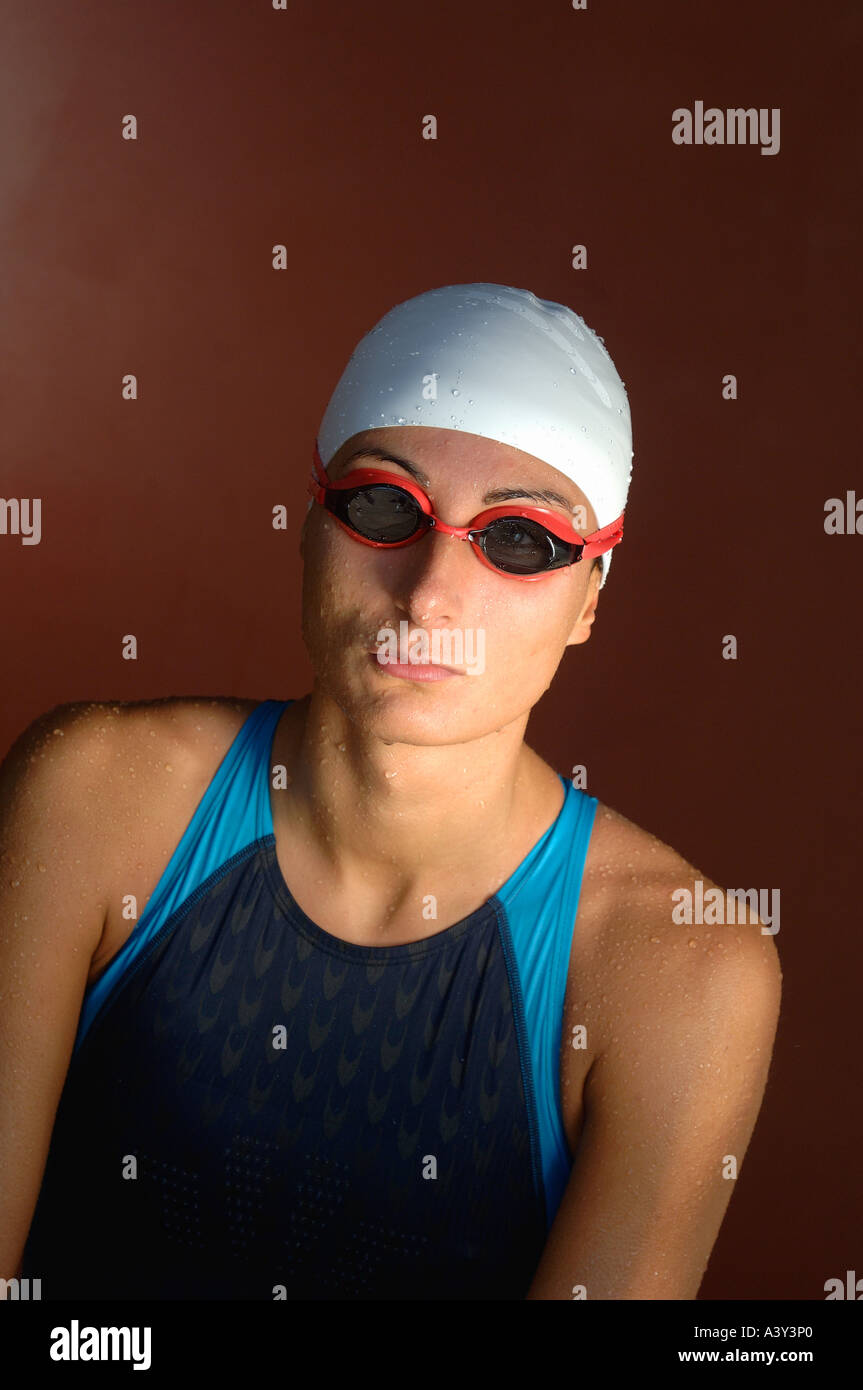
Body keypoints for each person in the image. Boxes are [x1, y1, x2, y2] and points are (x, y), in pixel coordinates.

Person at [0, 283, 781, 1300]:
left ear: (590, 597)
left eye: (519, 540)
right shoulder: (96, 797)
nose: (427, 595)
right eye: (382, 507)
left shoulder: (678, 971)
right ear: (308, 524)